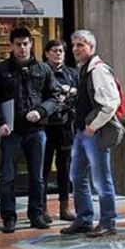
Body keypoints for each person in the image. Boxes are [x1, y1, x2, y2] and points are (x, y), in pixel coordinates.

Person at [0, 27, 61, 233]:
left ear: (31, 44)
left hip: (36, 131)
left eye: (26, 44)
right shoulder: (0, 70)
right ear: (11, 45)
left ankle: (36, 214)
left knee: (38, 176)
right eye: (18, 44)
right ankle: (9, 217)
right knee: (8, 176)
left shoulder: (43, 69)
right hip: (11, 132)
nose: (22, 48)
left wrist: (41, 111)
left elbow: (55, 97)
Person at [59, 29, 122, 237]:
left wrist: (94, 124)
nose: (76, 48)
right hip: (83, 132)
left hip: (94, 132)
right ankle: (84, 219)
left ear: (91, 48)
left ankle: (108, 222)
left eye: (81, 45)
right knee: (77, 176)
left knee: (101, 179)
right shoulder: (84, 69)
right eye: (74, 45)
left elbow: (111, 102)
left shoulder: (98, 70)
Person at [41, 40, 78, 222]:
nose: (58, 54)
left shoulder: (71, 73)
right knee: (44, 167)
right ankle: (42, 208)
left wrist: (73, 93)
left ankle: (65, 206)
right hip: (45, 126)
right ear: (47, 53)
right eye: (54, 51)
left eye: (61, 51)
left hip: (64, 126)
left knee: (64, 168)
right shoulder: (40, 72)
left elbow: (81, 94)